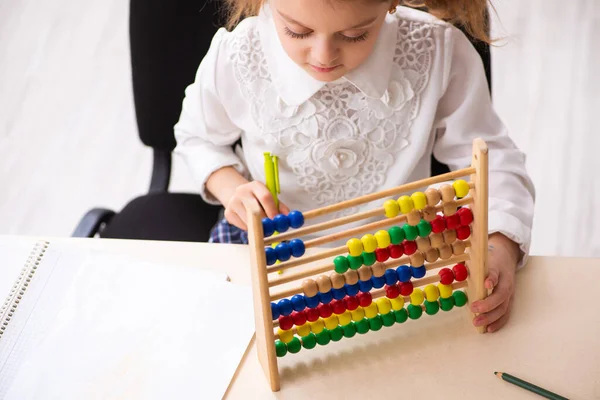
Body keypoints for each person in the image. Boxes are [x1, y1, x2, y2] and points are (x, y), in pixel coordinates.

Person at [173, 0, 535, 333]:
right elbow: (197, 137)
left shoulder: (438, 51)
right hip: (273, 256)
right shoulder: (238, 56)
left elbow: (495, 160)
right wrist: (232, 187)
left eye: (354, 34)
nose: (323, 55)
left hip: (401, 266)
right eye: (297, 31)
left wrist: (499, 245)